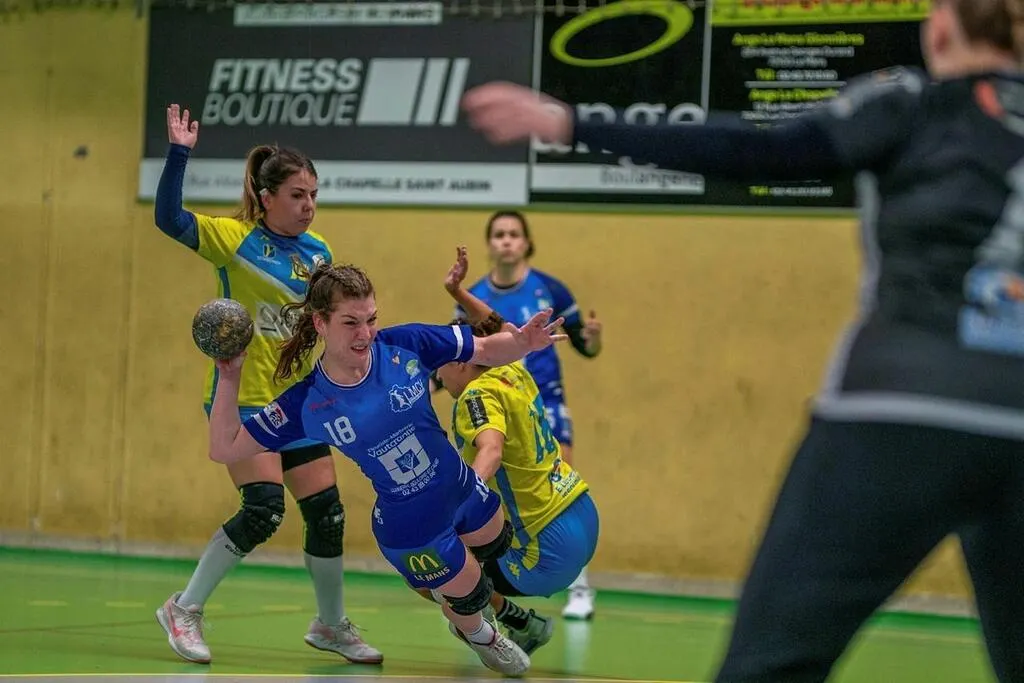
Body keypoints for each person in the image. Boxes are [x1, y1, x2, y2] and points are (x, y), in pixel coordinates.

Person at [462, 1, 1024, 681]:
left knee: (770, 662)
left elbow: (760, 146)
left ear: (938, 29)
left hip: (902, 406)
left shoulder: (909, 101)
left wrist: (572, 121)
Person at [206, 261, 568, 676]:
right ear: (321, 323)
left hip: (462, 488)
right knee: (471, 594)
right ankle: (482, 635)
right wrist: (230, 376)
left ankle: (447, 591)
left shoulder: (405, 343)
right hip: (411, 525)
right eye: (350, 323)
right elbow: (225, 448)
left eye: (371, 319)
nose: (365, 334)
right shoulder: (308, 402)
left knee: (497, 543)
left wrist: (522, 342)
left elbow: (485, 351)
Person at [152, 104, 381, 665]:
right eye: (298, 195)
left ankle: (330, 625)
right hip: (247, 401)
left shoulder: (319, 254)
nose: (309, 206)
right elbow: (168, 218)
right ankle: (184, 609)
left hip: (302, 404)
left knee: (326, 513)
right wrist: (179, 153)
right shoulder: (232, 238)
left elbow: (326, 324)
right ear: (267, 195)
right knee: (262, 509)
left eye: (314, 195)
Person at [433, 247, 600, 654]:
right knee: (472, 545)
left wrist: (453, 506)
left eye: (440, 362)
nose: (437, 372)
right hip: (582, 510)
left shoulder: (475, 395)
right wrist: (456, 291)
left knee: (433, 566)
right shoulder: (512, 367)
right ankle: (511, 618)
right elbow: (495, 326)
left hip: (548, 546)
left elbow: (490, 450)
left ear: (462, 361)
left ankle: (505, 630)